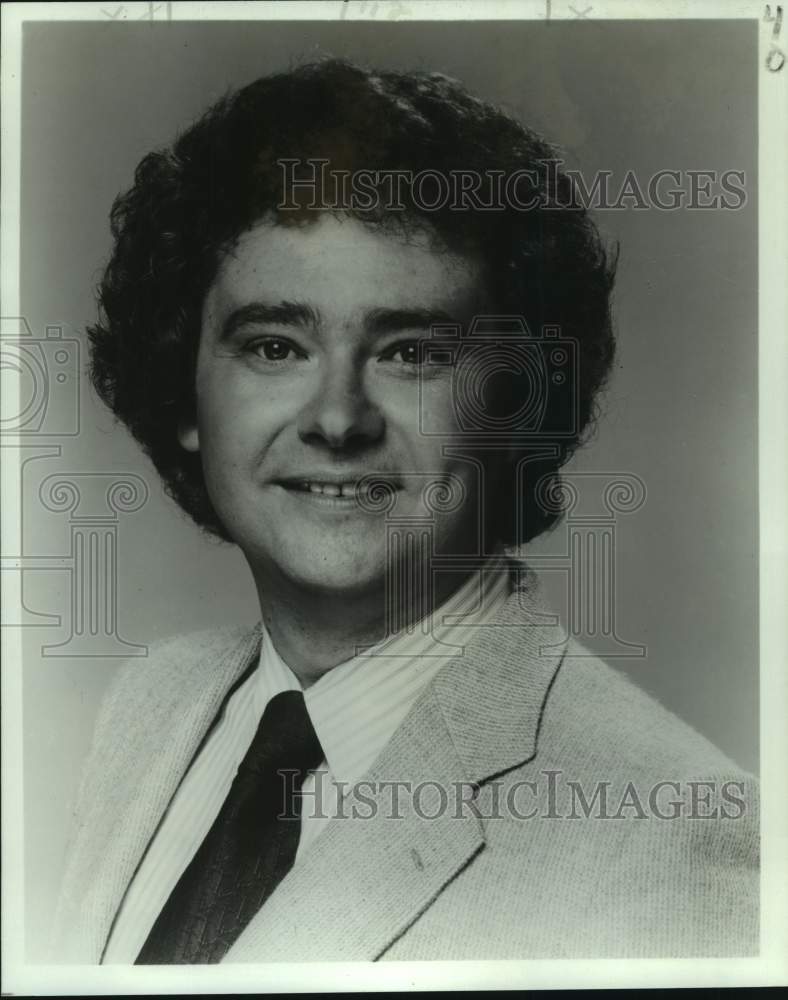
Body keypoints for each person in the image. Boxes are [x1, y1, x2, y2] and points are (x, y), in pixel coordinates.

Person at [51, 59, 758, 963]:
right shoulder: (150, 706)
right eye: (276, 345)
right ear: (186, 396)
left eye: (412, 352)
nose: (337, 419)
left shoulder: (680, 840)